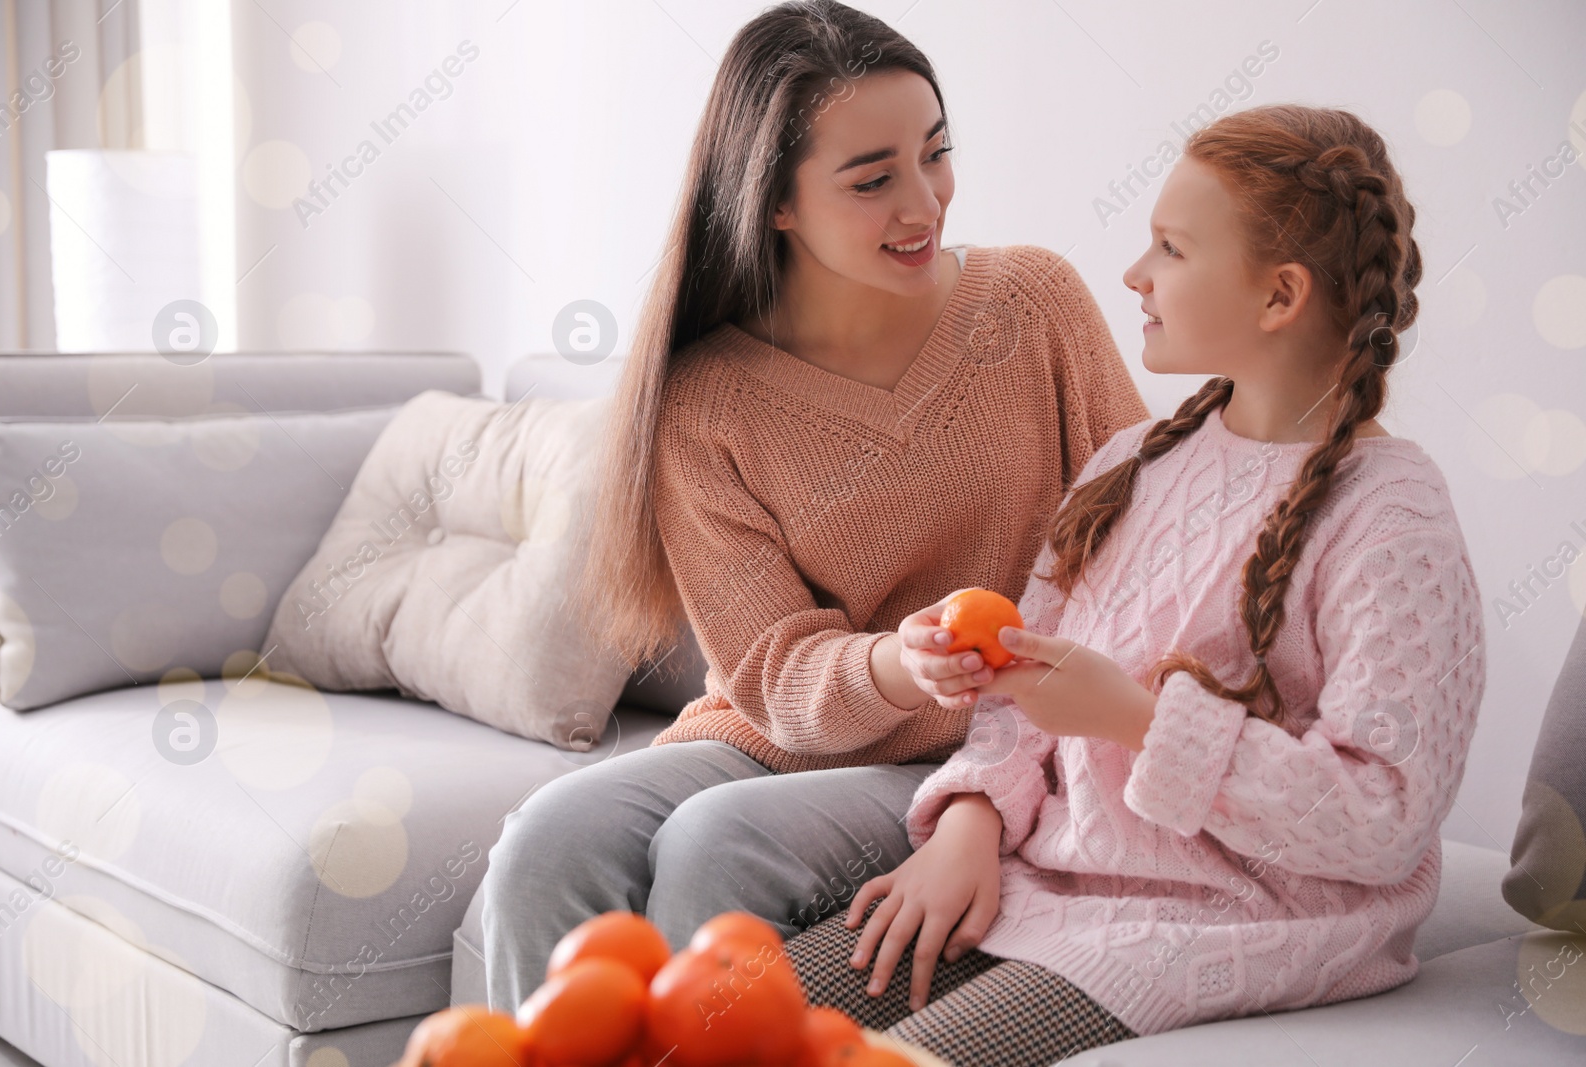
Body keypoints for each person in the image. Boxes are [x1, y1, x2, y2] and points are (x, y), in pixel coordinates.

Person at [785, 103, 1486, 1066]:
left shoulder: (1392, 517)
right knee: (722, 1018)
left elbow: (1384, 823)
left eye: (1171, 248)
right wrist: (969, 824)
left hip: (1222, 926)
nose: (1134, 273)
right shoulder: (1135, 462)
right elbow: (1015, 695)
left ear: (1280, 296)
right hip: (1041, 881)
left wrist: (1137, 719)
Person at [481, 0, 1149, 1008]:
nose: (923, 202)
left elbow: (1146, 551)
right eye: (873, 179)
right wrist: (900, 659)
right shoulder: (702, 400)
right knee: (545, 840)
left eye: (935, 153)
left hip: (990, 741)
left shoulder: (1035, 305)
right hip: (780, 731)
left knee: (717, 844)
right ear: (776, 202)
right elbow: (769, 670)